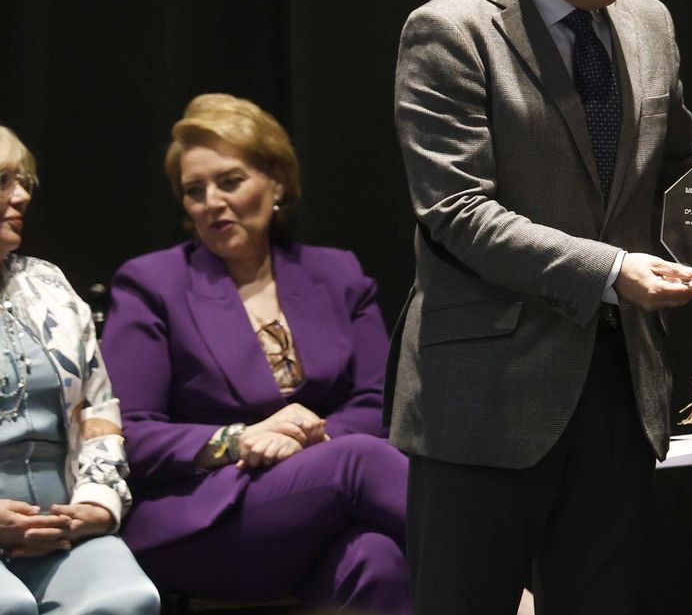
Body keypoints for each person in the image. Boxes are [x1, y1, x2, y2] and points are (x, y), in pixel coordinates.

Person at [390, 0, 692, 615]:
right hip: (485, 397)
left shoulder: (649, 23)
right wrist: (611, 270)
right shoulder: (449, 33)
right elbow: (458, 212)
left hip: (618, 388)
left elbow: (678, 175)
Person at [101, 94, 409, 612]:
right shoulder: (152, 283)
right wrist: (240, 440)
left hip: (318, 505)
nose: (211, 202)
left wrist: (311, 434)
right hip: (207, 519)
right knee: (358, 462)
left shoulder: (337, 274)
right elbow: (129, 430)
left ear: (278, 183)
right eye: (194, 191)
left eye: (229, 181)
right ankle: (507, 582)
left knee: (380, 561)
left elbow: (380, 401)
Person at [0, 125, 161, 615]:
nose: (22, 195)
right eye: (3, 181)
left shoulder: (47, 285)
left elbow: (99, 411)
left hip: (59, 528)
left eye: (23, 181)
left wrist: (94, 504)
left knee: (128, 598)